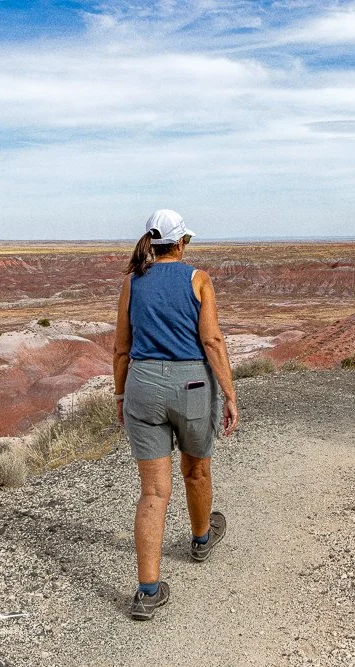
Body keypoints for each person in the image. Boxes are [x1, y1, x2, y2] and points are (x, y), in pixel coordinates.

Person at [113, 209, 239, 621]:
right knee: (196, 470)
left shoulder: (132, 282)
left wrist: (119, 395)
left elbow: (121, 348)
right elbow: (213, 340)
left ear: (153, 241)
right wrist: (231, 394)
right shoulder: (198, 279)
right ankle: (201, 540)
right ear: (181, 243)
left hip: (142, 386)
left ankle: (147, 592)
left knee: (153, 492)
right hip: (192, 386)